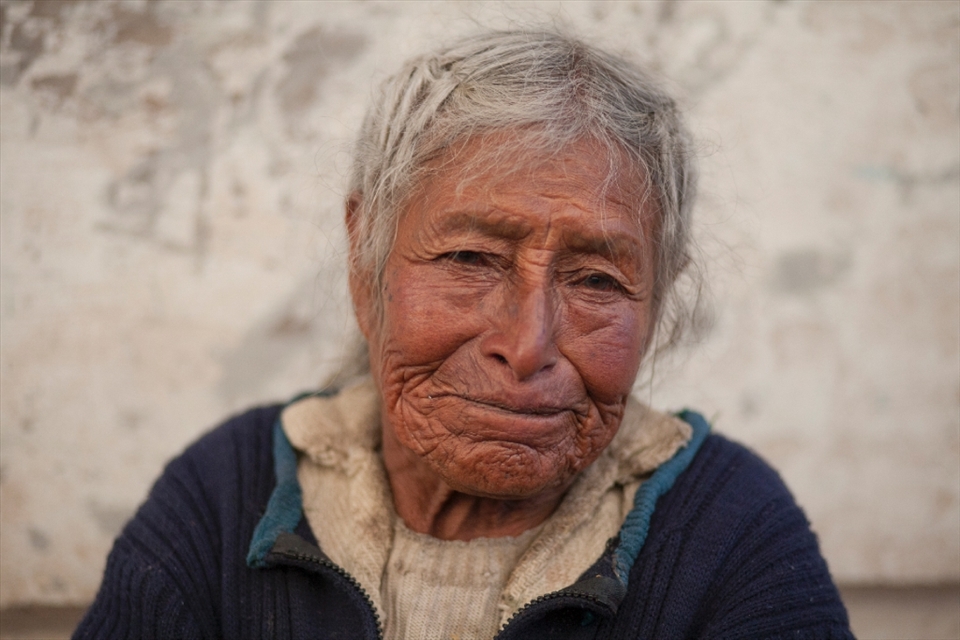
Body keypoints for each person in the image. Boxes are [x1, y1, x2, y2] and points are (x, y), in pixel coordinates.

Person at [74, 30, 852, 639]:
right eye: (471, 258)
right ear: (365, 258)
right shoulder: (225, 498)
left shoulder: (732, 532)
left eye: (596, 280)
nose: (527, 343)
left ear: (659, 299)